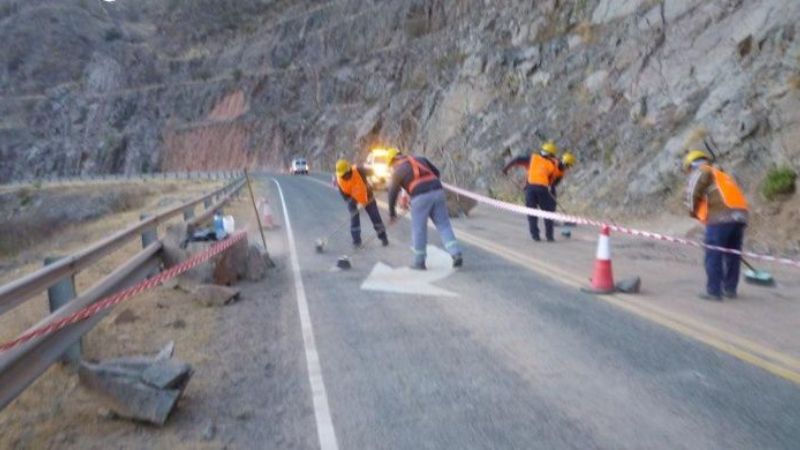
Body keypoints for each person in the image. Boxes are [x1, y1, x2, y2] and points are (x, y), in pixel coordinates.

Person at [683, 150, 749, 301]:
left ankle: (714, 291)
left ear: (691, 165)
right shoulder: (722, 175)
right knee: (732, 254)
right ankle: (730, 289)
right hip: (740, 216)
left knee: (714, 254)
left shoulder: (702, 170)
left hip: (720, 217)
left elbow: (692, 192)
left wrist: (692, 211)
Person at [386, 149, 463, 270]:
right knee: (444, 225)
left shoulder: (397, 171)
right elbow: (436, 173)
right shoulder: (420, 159)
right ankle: (455, 253)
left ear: (392, 161)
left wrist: (392, 214)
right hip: (438, 191)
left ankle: (419, 262)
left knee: (419, 229)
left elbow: (392, 192)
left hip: (420, 197)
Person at [502, 141, 562, 241]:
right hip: (542, 189)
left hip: (530, 189)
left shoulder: (533, 158)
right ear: (551, 154)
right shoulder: (552, 164)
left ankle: (535, 235)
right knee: (547, 213)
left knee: (531, 212)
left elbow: (517, 159)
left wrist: (505, 169)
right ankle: (549, 236)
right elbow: (552, 181)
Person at [335, 159, 389, 248]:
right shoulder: (340, 181)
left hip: (368, 196)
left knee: (375, 217)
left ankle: (383, 237)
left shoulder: (359, 170)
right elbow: (345, 197)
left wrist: (380, 179)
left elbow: (373, 171)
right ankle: (356, 241)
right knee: (354, 219)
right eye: (342, 175)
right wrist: (354, 203)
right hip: (353, 200)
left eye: (345, 174)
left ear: (349, 170)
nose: (344, 176)